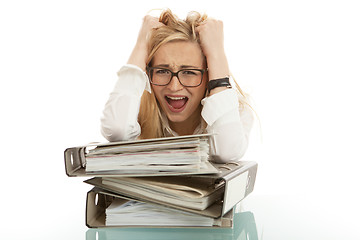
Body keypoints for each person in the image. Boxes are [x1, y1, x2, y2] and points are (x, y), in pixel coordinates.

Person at [100, 9, 254, 163]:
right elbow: (117, 131)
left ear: (209, 75)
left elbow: (226, 152)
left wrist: (217, 56)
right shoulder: (134, 106)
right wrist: (141, 46)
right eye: (162, 71)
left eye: (188, 72)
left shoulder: (235, 109)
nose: (174, 87)